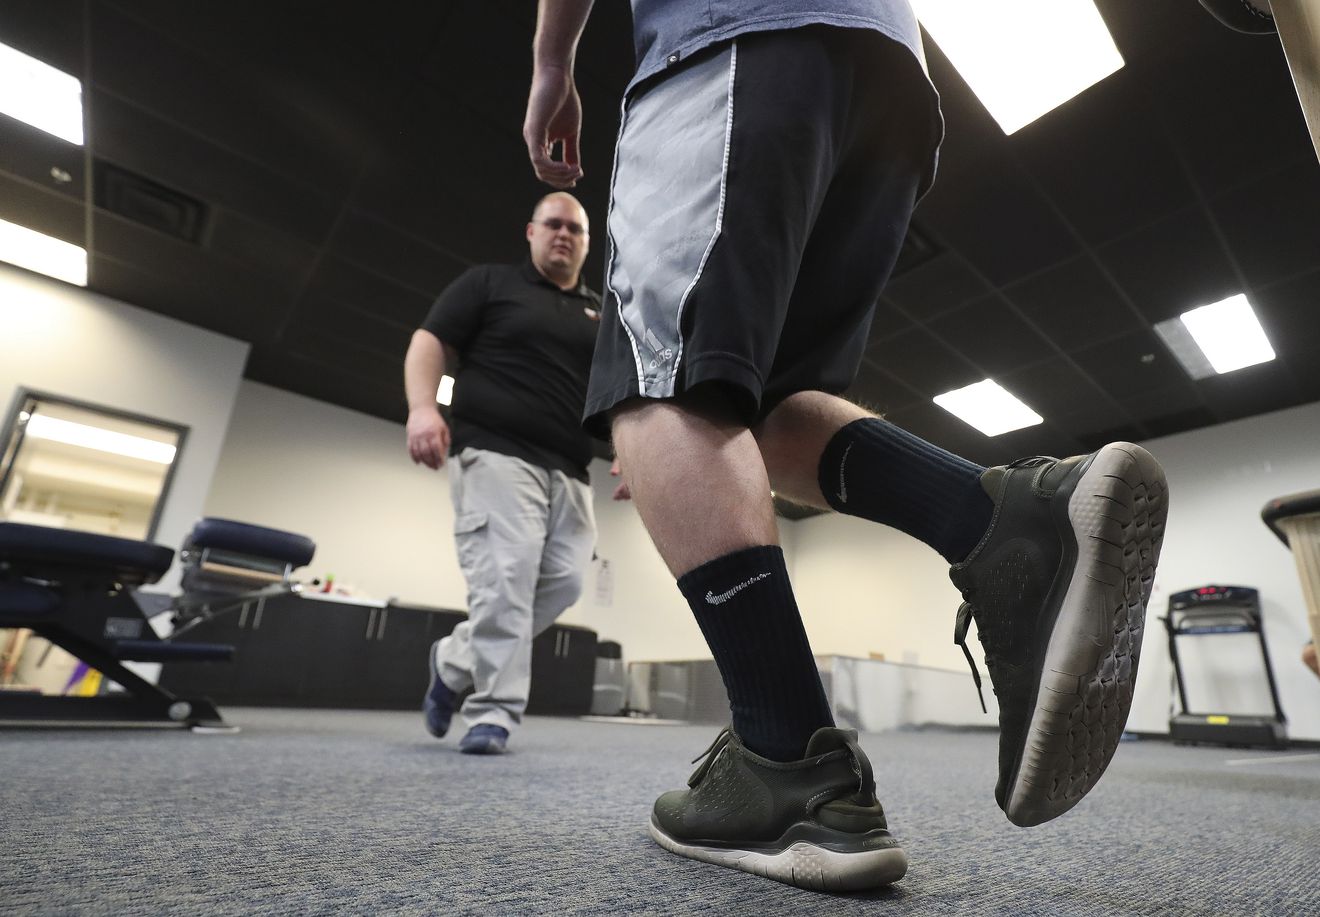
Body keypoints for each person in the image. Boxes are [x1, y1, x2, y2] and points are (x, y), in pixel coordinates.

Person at [523, 0, 1171, 893]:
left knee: (661, 378)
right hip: (892, 87)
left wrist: (551, 63)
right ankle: (1000, 524)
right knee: (769, 406)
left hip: (729, 36)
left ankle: (786, 758)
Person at [403, 192, 602, 755]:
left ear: (587, 244)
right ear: (531, 231)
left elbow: (613, 397)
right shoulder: (489, 284)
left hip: (570, 470)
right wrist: (423, 408)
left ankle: (454, 659)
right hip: (495, 452)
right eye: (553, 224)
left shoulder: (599, 314)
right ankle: (493, 712)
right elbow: (429, 342)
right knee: (507, 577)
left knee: (565, 582)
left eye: (576, 229)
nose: (564, 234)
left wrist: (632, 452)